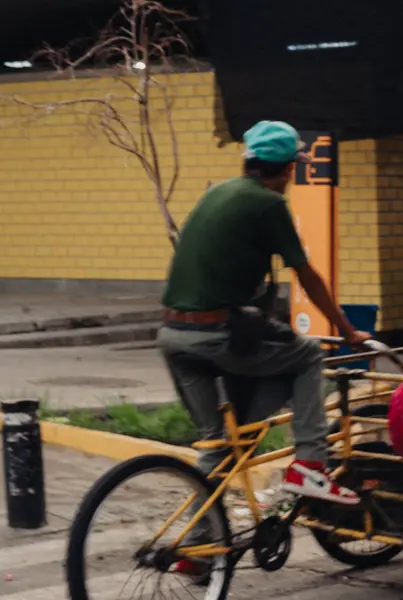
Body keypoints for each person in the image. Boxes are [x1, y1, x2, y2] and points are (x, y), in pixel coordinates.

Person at [157, 120, 373, 508]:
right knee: (308, 354)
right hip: (216, 336)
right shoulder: (269, 203)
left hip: (173, 336)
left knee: (221, 445)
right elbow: (306, 274)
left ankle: (198, 538)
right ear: (288, 169)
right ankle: (311, 466)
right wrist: (347, 330)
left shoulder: (217, 193)